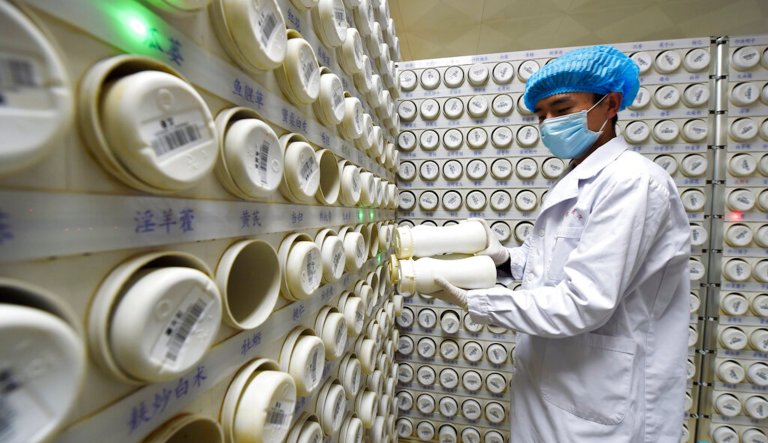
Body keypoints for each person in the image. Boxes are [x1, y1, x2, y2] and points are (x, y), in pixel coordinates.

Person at [433, 45, 691, 442]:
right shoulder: (581, 178)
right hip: (558, 377)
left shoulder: (633, 183)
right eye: (542, 115)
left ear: (610, 105)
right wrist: (504, 261)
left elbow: (584, 301)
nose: (549, 123)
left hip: (599, 394)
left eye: (562, 109)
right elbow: (556, 265)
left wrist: (478, 302)